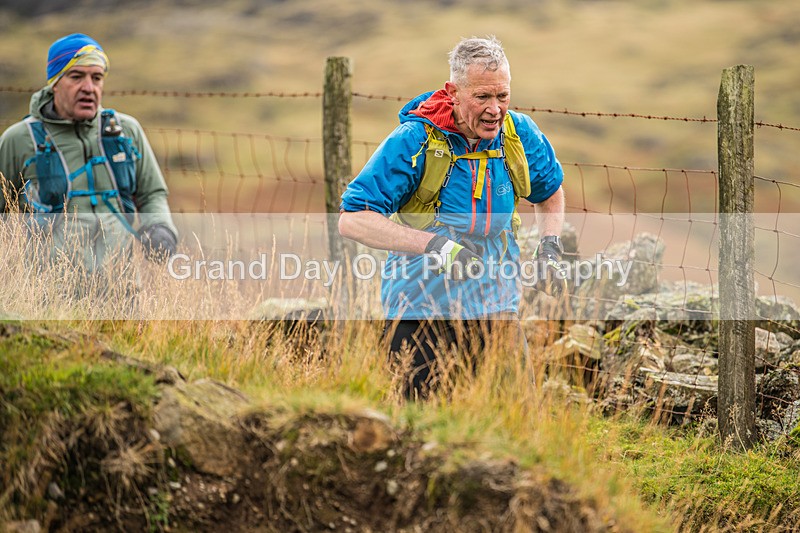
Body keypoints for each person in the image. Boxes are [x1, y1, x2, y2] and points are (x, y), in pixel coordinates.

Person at [339, 36, 566, 399]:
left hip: (496, 305)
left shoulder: (517, 134)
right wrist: (435, 246)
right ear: (454, 92)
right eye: (482, 98)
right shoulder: (414, 140)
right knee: (418, 424)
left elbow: (549, 189)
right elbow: (353, 218)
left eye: (503, 96)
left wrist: (550, 246)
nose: (495, 110)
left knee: (517, 413)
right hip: (419, 306)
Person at [0, 33, 177, 275]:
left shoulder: (125, 132)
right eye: (76, 76)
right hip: (47, 299)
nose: (88, 88)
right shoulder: (19, 139)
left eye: (97, 78)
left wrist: (159, 227)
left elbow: (152, 193)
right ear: (54, 82)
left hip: (121, 292)